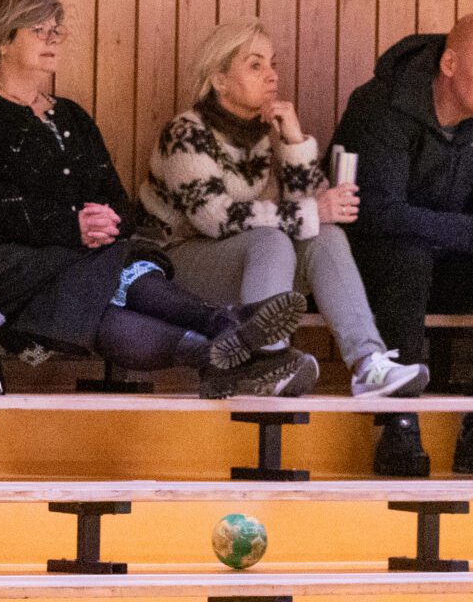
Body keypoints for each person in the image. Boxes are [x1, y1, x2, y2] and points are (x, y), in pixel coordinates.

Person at [0, 0, 318, 399]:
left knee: (114, 275)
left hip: (82, 256)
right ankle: (227, 328)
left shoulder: (71, 115)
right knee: (97, 288)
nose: (53, 39)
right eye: (40, 30)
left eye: (57, 30)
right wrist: (70, 225)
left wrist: (107, 222)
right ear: (1, 40)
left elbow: (116, 198)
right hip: (6, 266)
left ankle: (214, 353)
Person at [139, 20, 428, 398]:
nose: (272, 75)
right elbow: (215, 219)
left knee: (325, 236)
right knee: (272, 239)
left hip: (252, 262)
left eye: (273, 64)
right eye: (255, 65)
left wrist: (293, 139)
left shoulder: (265, 132)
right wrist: (311, 211)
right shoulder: (185, 132)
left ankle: (368, 364)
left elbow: (310, 208)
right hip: (175, 265)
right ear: (220, 79)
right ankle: (266, 362)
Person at [331, 13, 473, 477]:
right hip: (367, 268)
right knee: (406, 252)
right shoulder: (382, 105)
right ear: (449, 64)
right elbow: (378, 213)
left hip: (443, 263)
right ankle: (399, 428)